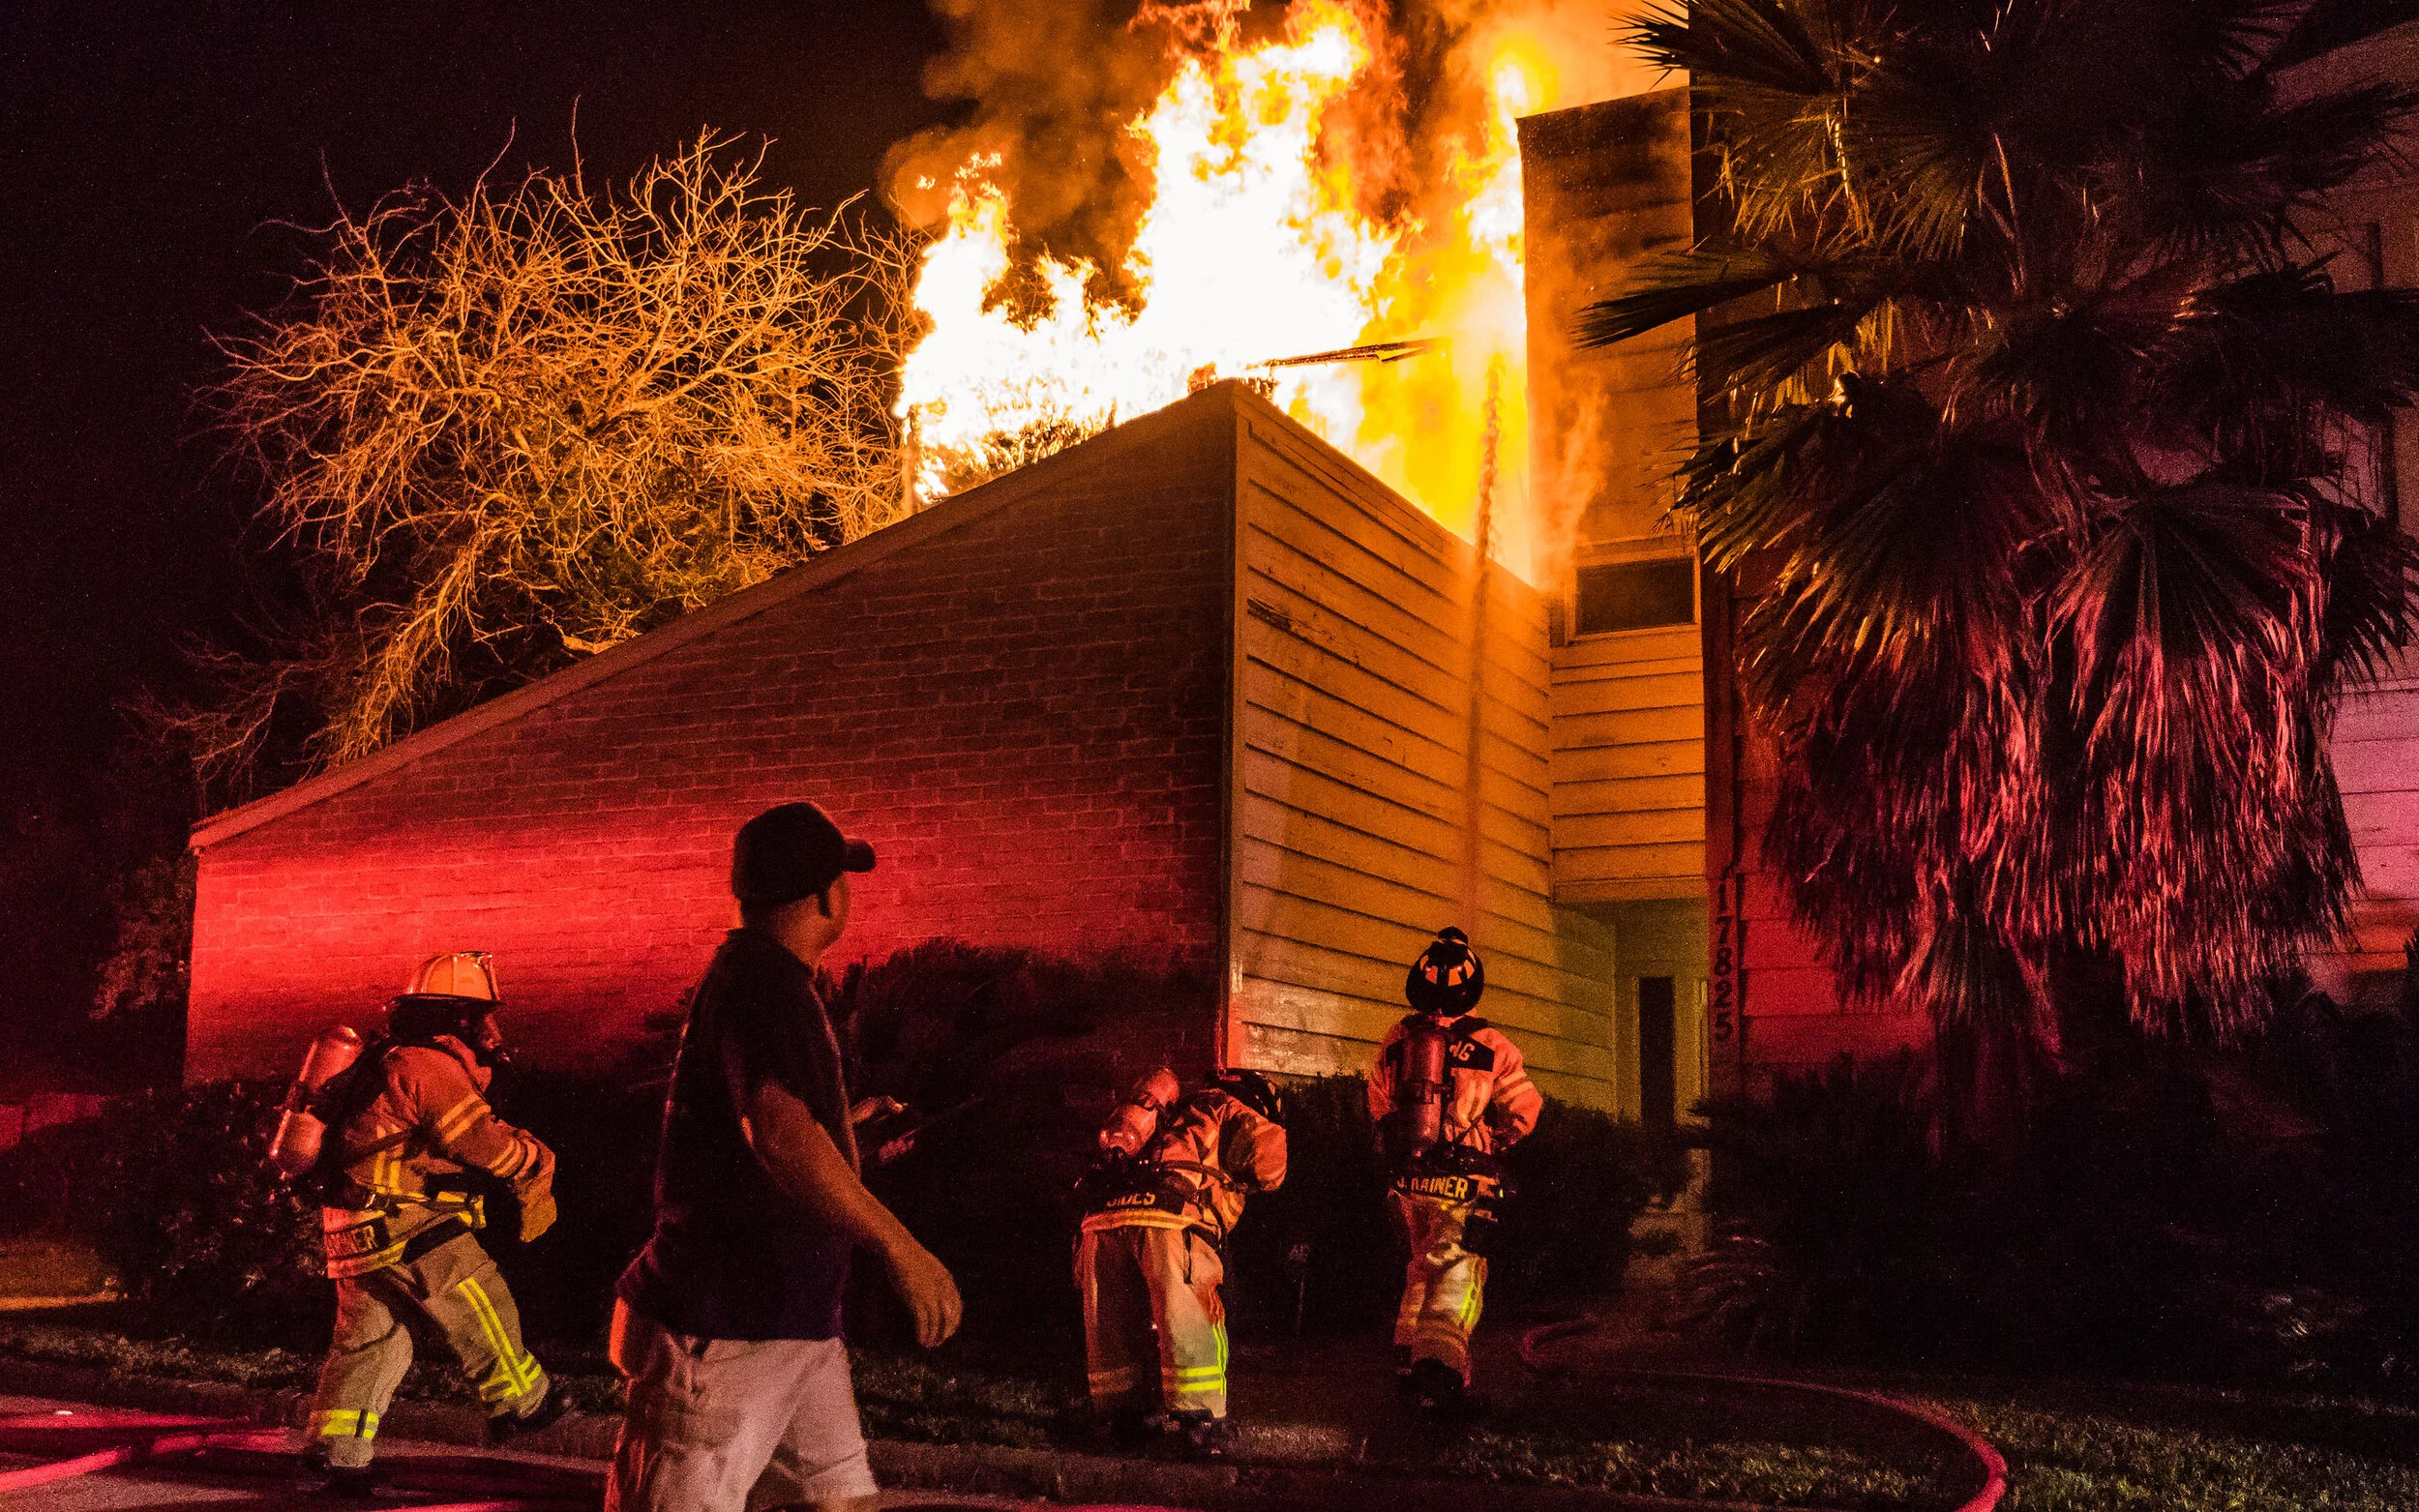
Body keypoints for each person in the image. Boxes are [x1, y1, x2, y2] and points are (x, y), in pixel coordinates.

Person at [607, 801, 962, 1512]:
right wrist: (901, 1246)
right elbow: (775, 1128)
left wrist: (849, 1129)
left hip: (791, 1323)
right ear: (828, 894)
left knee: (841, 1502)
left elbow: (771, 1129)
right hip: (727, 1328)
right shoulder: (767, 985)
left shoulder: (756, 979)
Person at [303, 952, 566, 1494]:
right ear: (457, 1017)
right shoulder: (429, 1066)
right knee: (478, 1294)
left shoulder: (390, 1058)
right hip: (405, 1220)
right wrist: (534, 1162)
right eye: (481, 1016)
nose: (491, 1030)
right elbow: (481, 1143)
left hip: (350, 1223)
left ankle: (338, 1453)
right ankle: (523, 1402)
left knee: (373, 1341)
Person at [1366, 927, 1540, 1419]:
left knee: (1421, 1263)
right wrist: (1500, 1142)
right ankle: (1439, 1374)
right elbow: (1522, 1108)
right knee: (1458, 1268)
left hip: (1408, 1176)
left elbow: (1378, 1102)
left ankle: (1407, 1358)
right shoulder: (1493, 1046)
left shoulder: (1398, 1041)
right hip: (1464, 1177)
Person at [1075, 1066, 1287, 1459]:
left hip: (1100, 1220)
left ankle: (1127, 1419)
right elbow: (1267, 1163)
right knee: (1189, 1314)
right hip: (1169, 1218)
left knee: (1113, 1321)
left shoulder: (1170, 1113)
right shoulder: (1227, 1107)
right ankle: (1202, 1422)